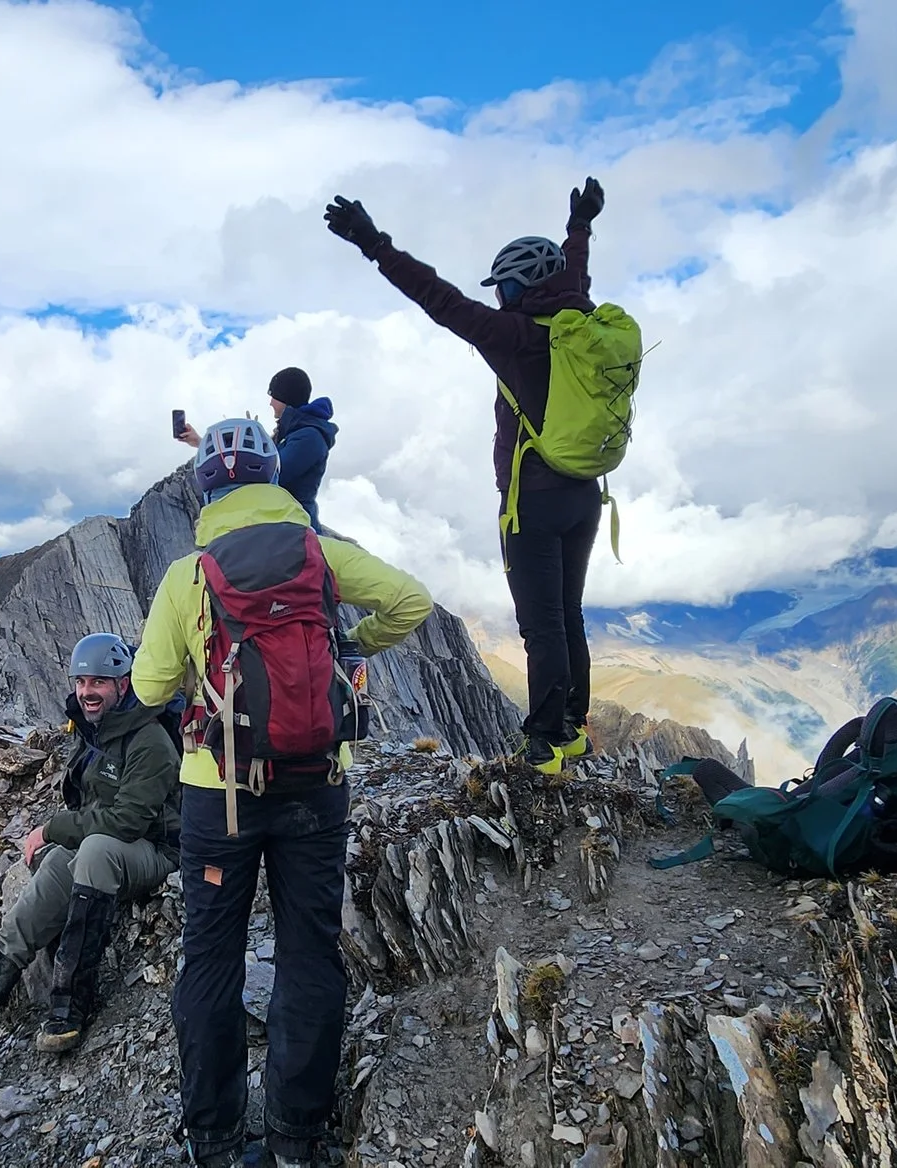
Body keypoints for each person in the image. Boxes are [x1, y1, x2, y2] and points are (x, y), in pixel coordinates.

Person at [133, 418, 432, 1168]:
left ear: (206, 491)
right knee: (308, 954)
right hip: (316, 786)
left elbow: (146, 686)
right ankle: (299, 1139)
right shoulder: (319, 554)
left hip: (217, 793)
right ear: (273, 480)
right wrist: (349, 646)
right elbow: (412, 601)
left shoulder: (187, 576)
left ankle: (215, 1140)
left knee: (210, 960)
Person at [323, 177, 609, 774]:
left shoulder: (516, 336)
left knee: (543, 625)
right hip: (586, 494)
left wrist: (375, 245)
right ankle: (574, 731)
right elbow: (574, 275)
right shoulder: (577, 322)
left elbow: (440, 299)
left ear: (519, 286)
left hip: (533, 501)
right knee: (571, 613)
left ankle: (544, 745)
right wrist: (579, 225)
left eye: (505, 285)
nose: (500, 296)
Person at [0, 632, 181, 1085]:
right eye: (81, 681)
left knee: (95, 849)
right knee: (32, 904)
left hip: (156, 851)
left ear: (123, 685)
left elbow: (125, 822)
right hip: (100, 854)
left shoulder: (149, 741)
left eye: (99, 683)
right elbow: (89, 806)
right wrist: (56, 841)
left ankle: (70, 1008)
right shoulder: (95, 734)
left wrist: (51, 829)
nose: (87, 691)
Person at [175, 367, 337, 531]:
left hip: (296, 529)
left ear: (286, 397)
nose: (271, 402)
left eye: (274, 396)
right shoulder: (293, 432)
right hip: (281, 522)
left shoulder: (309, 437)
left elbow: (269, 475)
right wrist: (200, 442)